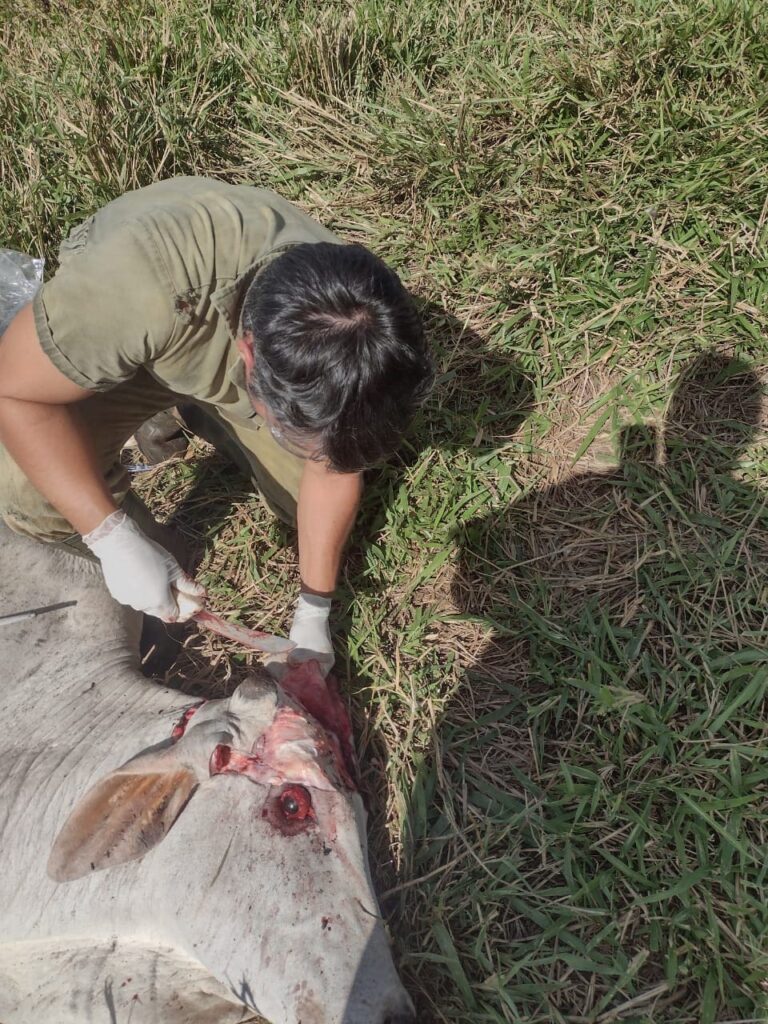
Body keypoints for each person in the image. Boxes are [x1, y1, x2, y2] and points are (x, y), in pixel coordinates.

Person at [0, 177, 433, 674]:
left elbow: (332, 463)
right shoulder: (129, 290)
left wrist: (313, 612)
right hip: (149, 324)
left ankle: (194, 408)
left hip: (202, 345)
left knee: (307, 511)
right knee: (27, 489)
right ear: (246, 358)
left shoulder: (365, 326)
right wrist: (110, 536)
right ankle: (158, 539)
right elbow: (13, 391)